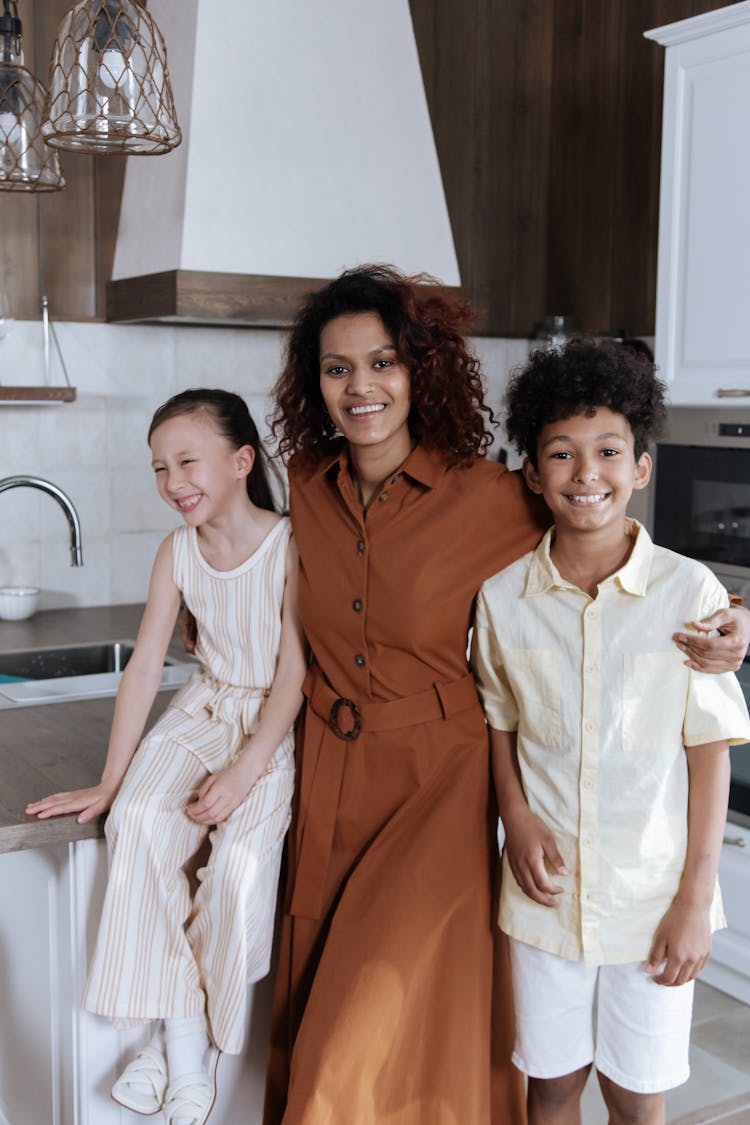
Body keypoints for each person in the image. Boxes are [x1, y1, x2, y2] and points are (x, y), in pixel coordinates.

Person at [262, 266, 750, 1125]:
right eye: (337, 368)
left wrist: (736, 618)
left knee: (358, 1038)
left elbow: (612, 537)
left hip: (436, 788)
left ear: (420, 367)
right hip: (331, 781)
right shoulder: (304, 482)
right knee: (335, 1016)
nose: (361, 385)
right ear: (316, 383)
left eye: (383, 361)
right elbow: (264, 586)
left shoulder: (493, 496)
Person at [471, 339, 750, 1125]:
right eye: (560, 453)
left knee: (635, 1093)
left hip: (653, 901)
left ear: (642, 467)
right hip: (545, 900)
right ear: (533, 473)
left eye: (607, 451)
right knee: (552, 1085)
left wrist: (698, 894)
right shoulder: (503, 599)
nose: (585, 472)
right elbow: (500, 722)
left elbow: (708, 752)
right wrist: (516, 819)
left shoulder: (689, 592)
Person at [26, 389, 307, 1125]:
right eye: (158, 467)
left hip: (267, 728)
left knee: (240, 870)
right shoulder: (176, 551)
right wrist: (112, 780)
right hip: (204, 708)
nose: (172, 480)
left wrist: (245, 771)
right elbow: (146, 665)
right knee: (140, 820)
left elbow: (295, 675)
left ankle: (185, 1043)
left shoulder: (290, 545)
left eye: (186, 460)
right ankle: (182, 1055)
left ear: (242, 460)